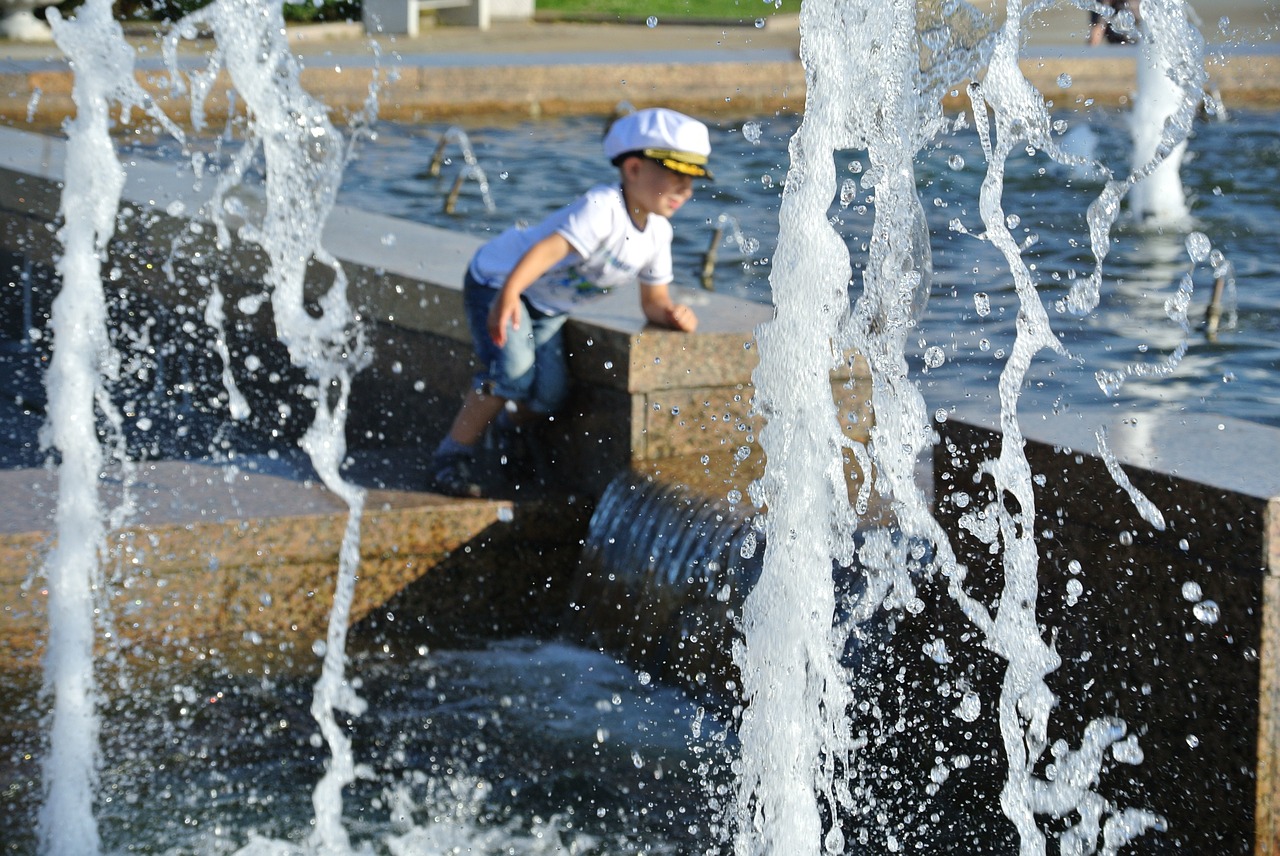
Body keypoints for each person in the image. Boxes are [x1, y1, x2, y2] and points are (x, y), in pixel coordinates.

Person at [428, 107, 710, 497]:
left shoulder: (658, 234)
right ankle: (451, 456)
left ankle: (508, 428)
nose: (686, 190)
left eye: (692, 180)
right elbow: (547, 251)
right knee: (512, 373)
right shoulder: (602, 208)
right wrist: (507, 295)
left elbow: (653, 299)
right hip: (499, 281)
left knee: (550, 394)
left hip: (547, 307)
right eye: (676, 176)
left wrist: (671, 314)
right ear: (633, 169)